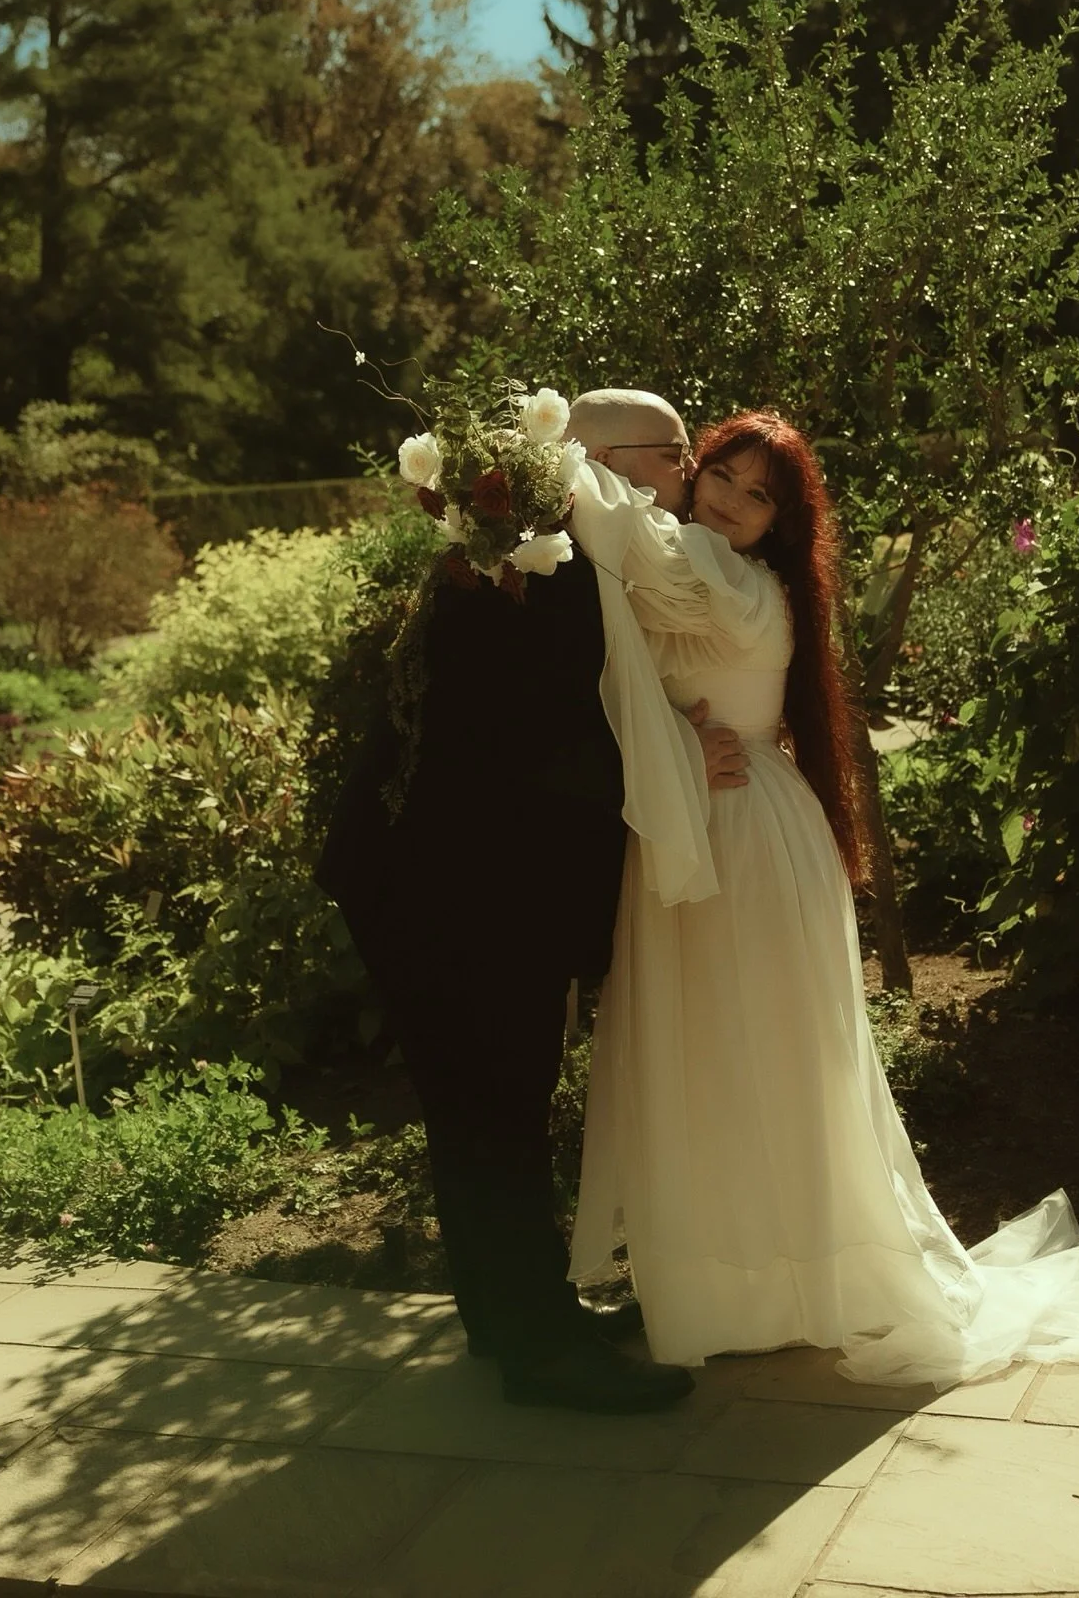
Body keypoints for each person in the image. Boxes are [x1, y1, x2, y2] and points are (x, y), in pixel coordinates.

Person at [565, 407, 1079, 1388]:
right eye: (724, 477)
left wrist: (554, 450)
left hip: (747, 839)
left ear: (780, 524)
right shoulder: (693, 554)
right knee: (696, 1060)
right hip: (689, 830)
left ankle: (794, 1286)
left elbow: (616, 530)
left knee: (771, 1060)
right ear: (698, 467)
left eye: (760, 498)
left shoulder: (741, 584)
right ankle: (722, 1289)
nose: (734, 504)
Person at [313, 388, 748, 1413]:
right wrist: (686, 755)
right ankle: (543, 1352)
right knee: (494, 1107)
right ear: (626, 461)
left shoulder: (541, 548)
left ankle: (507, 1320)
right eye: (680, 456)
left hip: (444, 875)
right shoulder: (538, 565)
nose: (687, 479)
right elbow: (555, 739)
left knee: (481, 1111)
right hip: (454, 887)